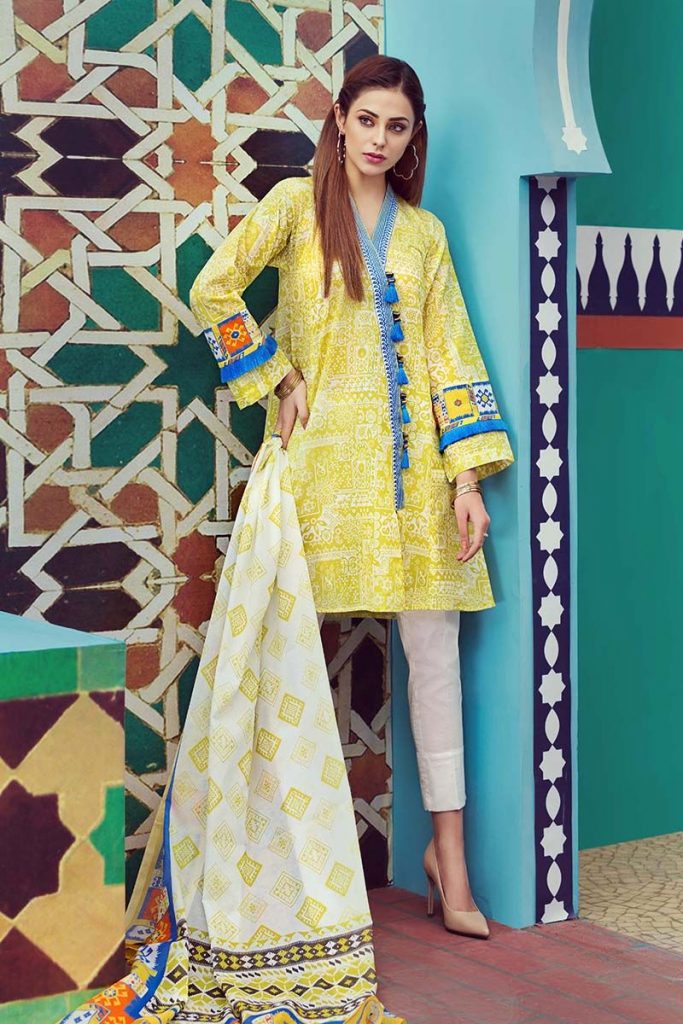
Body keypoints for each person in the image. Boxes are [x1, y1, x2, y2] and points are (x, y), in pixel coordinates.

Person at [189, 54, 514, 939]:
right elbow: (213, 287)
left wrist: (466, 480)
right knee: (289, 656)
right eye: (366, 119)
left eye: (396, 126)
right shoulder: (294, 207)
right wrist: (274, 375)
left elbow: (450, 354)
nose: (379, 139)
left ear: (412, 138)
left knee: (434, 655)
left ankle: (449, 859)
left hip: (413, 483)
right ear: (339, 118)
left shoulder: (423, 237)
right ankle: (279, 867)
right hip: (318, 474)